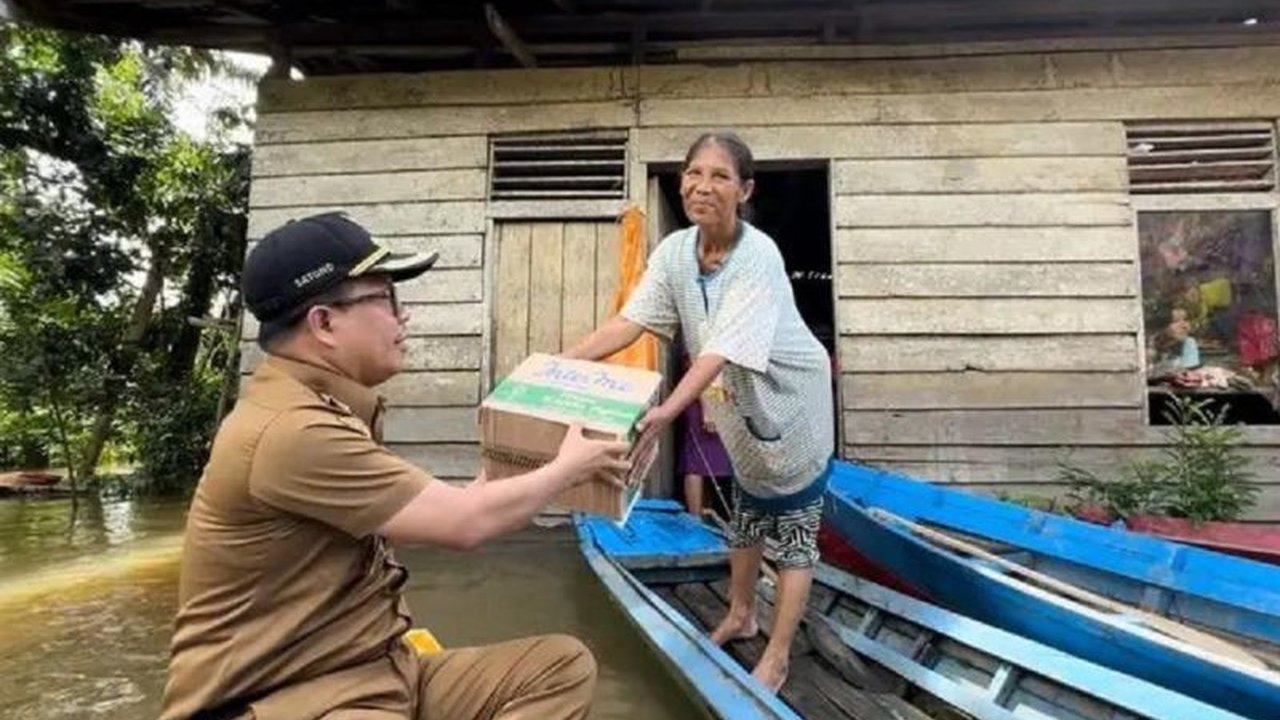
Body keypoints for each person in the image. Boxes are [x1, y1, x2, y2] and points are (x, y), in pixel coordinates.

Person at [159, 212, 631, 720]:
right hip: (290, 697)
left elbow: (427, 515)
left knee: (558, 669)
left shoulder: (326, 407)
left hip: (375, 671)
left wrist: (515, 469)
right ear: (324, 323)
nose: (404, 315)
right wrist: (570, 468)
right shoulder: (292, 431)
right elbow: (463, 524)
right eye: (386, 297)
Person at [563, 132, 834, 692]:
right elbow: (629, 322)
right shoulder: (675, 253)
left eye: (719, 176)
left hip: (792, 401)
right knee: (746, 511)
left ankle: (778, 655)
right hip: (736, 398)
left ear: (744, 189)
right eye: (693, 173)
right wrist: (558, 362)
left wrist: (664, 413)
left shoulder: (759, 255)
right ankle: (741, 613)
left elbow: (715, 351)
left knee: (794, 530)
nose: (702, 187)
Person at [676, 351, 734, 519]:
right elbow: (697, 370)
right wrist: (707, 410)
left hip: (718, 397)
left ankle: (705, 512)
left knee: (712, 461)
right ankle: (695, 518)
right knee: (697, 460)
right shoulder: (702, 335)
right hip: (705, 399)